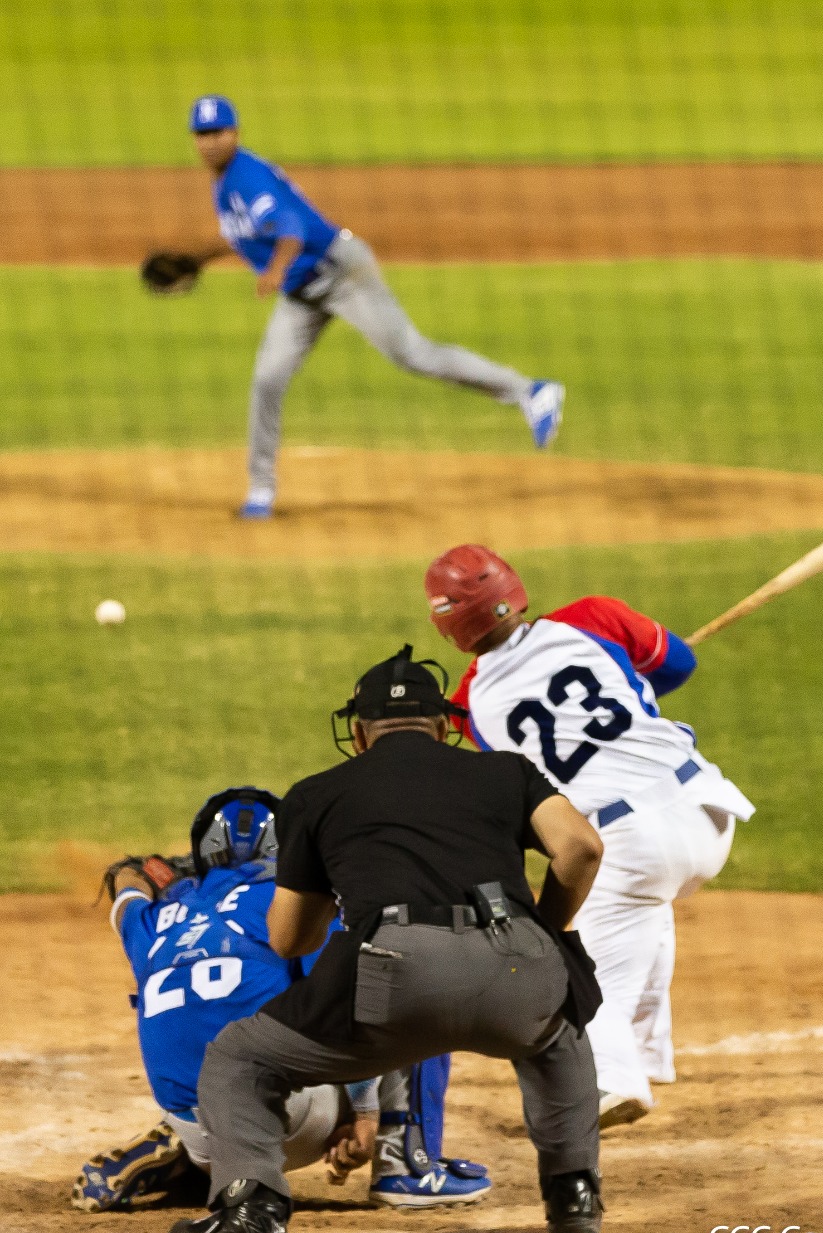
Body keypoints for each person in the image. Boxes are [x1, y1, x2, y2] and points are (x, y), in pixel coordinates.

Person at [165, 645, 605, 1233]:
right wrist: (546, 931)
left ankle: (251, 1214)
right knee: (559, 1029)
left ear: (360, 733)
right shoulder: (508, 771)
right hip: (514, 962)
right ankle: (573, 1194)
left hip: (396, 974)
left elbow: (290, 939)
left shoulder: (317, 794)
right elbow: (582, 847)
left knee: (240, 1058)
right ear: (444, 726)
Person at [424, 545, 756, 1129]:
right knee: (644, 910)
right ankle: (646, 1052)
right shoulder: (592, 617)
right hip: (709, 810)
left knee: (575, 970)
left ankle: (611, 1080)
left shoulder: (469, 704)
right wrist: (628, 681)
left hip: (633, 844)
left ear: (447, 625)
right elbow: (676, 665)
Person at [77, 786, 491, 1214]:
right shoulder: (288, 902)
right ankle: (405, 1168)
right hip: (290, 1122)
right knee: (405, 976)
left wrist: (148, 870)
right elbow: (351, 1000)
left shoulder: (152, 919)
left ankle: (189, 1156)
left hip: (201, 1131)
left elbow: (127, 886)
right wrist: (364, 1111)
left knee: (210, 1042)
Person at [181, 94, 565, 519]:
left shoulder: (247, 176)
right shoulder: (224, 183)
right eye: (202, 134)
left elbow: (290, 228)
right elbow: (246, 233)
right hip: (302, 294)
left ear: (235, 133)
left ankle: (531, 392)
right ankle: (260, 491)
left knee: (413, 354)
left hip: (341, 273)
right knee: (267, 378)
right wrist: (197, 260)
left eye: (218, 132)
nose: (210, 142)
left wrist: (275, 270)